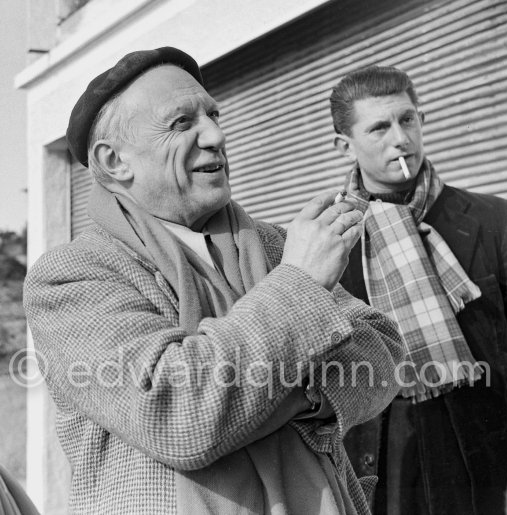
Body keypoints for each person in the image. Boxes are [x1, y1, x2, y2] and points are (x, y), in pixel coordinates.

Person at [23, 47, 405, 515]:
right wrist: (301, 285)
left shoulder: (274, 244)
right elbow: (178, 411)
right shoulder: (72, 277)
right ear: (115, 160)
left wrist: (259, 395)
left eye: (213, 114)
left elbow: (380, 350)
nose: (216, 135)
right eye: (182, 123)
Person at [329, 64, 507, 515]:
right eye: (379, 127)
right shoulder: (327, 240)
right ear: (345, 145)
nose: (401, 139)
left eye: (408, 119)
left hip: (483, 448)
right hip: (384, 453)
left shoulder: (495, 219)